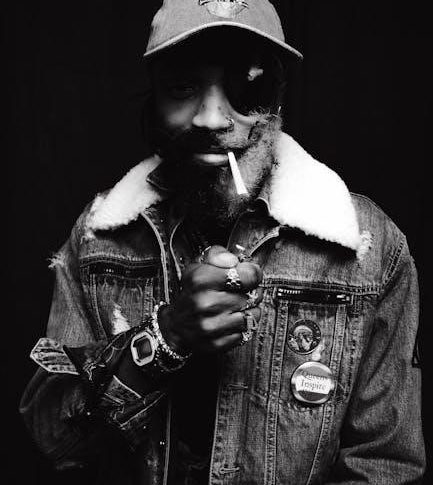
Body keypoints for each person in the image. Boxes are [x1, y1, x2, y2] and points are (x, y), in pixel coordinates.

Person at [20, 0, 425, 483]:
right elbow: (54, 442)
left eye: (244, 86)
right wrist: (164, 338)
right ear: (154, 99)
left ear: (277, 98)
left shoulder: (368, 248)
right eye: (183, 87)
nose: (212, 119)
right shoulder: (98, 240)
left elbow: (384, 465)